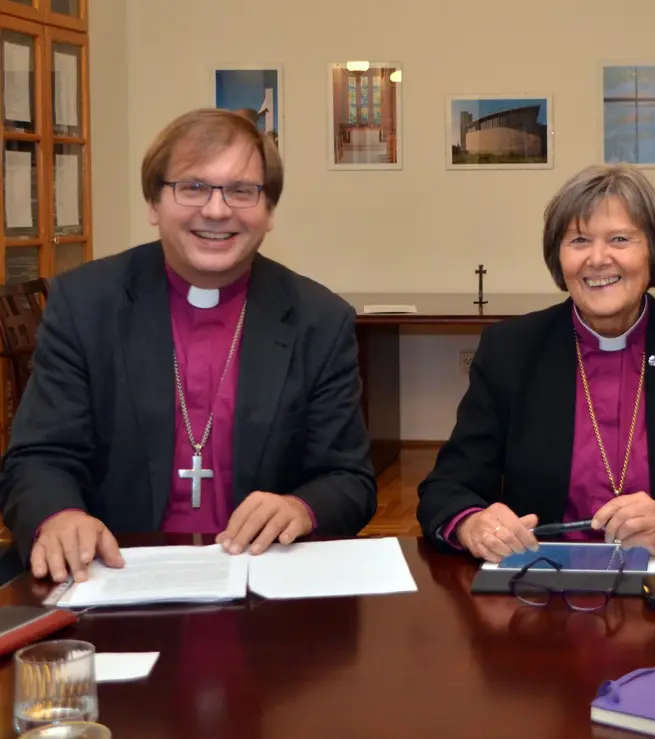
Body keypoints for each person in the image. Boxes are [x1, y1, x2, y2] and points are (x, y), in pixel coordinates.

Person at [0, 108, 377, 582]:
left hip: (260, 580)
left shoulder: (319, 319)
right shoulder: (84, 304)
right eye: (192, 187)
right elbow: (38, 458)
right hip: (110, 574)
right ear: (154, 205)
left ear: (269, 212)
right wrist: (58, 517)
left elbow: (349, 480)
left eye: (242, 191)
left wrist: (301, 508)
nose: (217, 210)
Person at [418, 163, 655, 561]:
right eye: (578, 240)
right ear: (558, 258)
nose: (598, 259)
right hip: (540, 585)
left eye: (620, 239)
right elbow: (446, 488)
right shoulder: (511, 350)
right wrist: (474, 523)